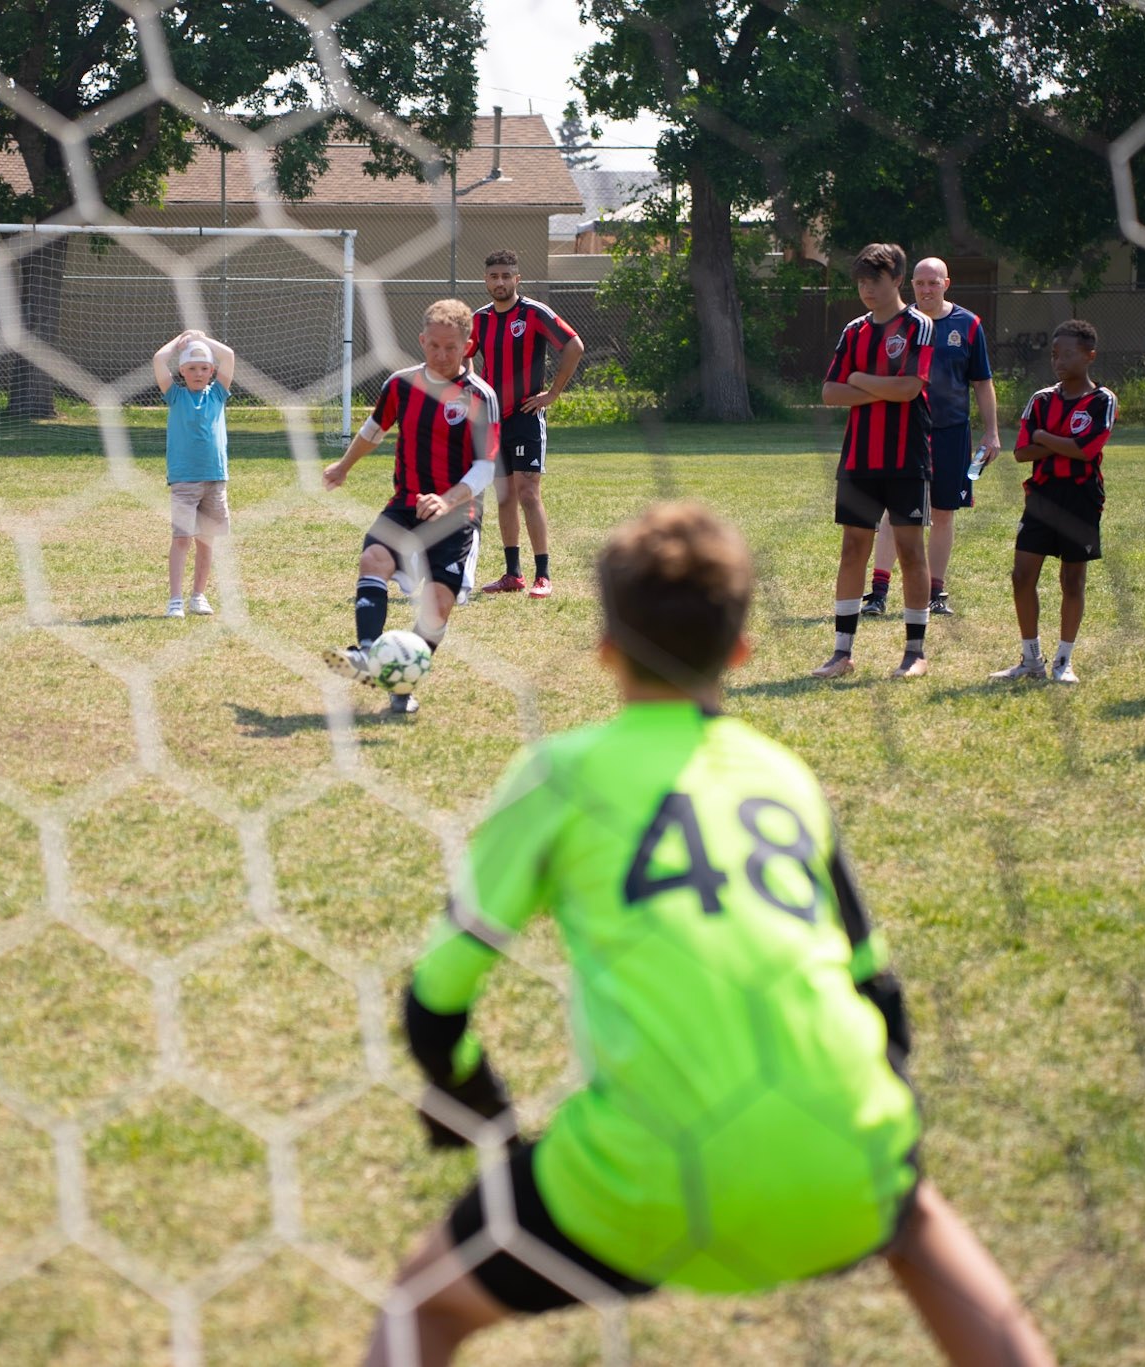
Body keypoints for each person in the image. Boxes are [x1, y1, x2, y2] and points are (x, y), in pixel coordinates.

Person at [364, 502, 1056, 1367]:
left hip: (639, 1180)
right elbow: (881, 996)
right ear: (740, 652)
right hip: (837, 1149)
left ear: (605, 650)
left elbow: (435, 1005)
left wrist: (487, 1123)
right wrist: (884, 1148)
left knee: (420, 1305)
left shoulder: (561, 774)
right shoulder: (783, 775)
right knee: (916, 1224)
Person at [322, 299, 499, 716]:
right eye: (433, 346)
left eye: (450, 348)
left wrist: (447, 498)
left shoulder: (480, 396)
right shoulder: (401, 386)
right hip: (404, 506)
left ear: (467, 346)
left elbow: (486, 466)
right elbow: (374, 430)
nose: (440, 355)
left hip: (457, 515)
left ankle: (401, 686)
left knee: (437, 607)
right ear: (421, 340)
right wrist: (344, 466)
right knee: (374, 558)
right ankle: (367, 654)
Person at [813, 243, 935, 680]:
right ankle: (842, 653)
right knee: (852, 549)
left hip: (906, 457)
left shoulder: (918, 325)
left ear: (897, 280)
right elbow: (829, 393)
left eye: (875, 280)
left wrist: (861, 380)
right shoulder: (854, 331)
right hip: (860, 459)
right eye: (861, 281)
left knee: (909, 551)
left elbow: (910, 389)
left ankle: (915, 653)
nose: (867, 289)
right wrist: (884, 385)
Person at [862, 257, 999, 618]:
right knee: (896, 512)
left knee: (942, 513)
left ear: (946, 284)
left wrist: (992, 432)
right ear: (911, 285)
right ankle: (877, 592)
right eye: (920, 283)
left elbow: (982, 383)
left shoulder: (968, 325)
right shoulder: (899, 323)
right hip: (906, 429)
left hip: (952, 433)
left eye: (933, 283)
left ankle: (936, 593)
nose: (925, 289)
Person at [988, 319, 1115, 685]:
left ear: (1090, 356)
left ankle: (1064, 661)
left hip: (1080, 499)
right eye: (1055, 354)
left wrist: (1045, 435)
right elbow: (1022, 452)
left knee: (1072, 580)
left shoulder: (1101, 400)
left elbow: (1087, 449)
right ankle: (1031, 660)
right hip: (1041, 497)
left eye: (1069, 354)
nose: (1059, 361)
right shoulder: (1042, 399)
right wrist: (1055, 442)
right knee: (1021, 576)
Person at [468, 249, 584, 600]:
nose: (500, 282)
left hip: (526, 417)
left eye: (506, 276)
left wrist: (553, 393)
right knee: (504, 496)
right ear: (486, 280)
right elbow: (464, 358)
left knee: (528, 493)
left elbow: (574, 345)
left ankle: (543, 575)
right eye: (493, 277)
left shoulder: (533, 313)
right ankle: (512, 574)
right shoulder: (480, 319)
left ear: (517, 279)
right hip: (493, 420)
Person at [151, 328, 236, 619]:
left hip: (215, 479)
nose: (198, 373)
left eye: (204, 368)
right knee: (182, 539)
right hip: (184, 480)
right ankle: (175, 599)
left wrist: (203, 339)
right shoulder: (175, 396)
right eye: (191, 368)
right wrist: (182, 340)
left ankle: (198, 596)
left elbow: (230, 356)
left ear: (212, 370)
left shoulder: (218, 395)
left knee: (206, 540)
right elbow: (159, 360)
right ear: (182, 372)